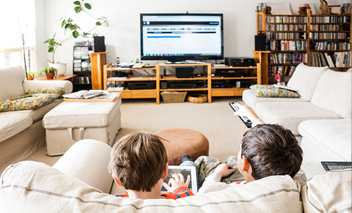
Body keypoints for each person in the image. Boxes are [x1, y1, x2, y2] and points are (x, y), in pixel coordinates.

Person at [198, 103, 304, 194]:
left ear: (245, 164)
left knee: (204, 162)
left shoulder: (225, 191)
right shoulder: (297, 177)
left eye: (240, 150)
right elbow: (275, 145)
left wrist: (217, 173)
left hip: (229, 177)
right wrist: (253, 117)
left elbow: (204, 191)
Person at [108, 131, 194, 200]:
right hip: (177, 189)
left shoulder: (115, 200)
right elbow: (190, 200)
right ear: (165, 171)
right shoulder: (181, 199)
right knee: (200, 162)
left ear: (117, 180)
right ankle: (188, 162)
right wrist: (180, 189)